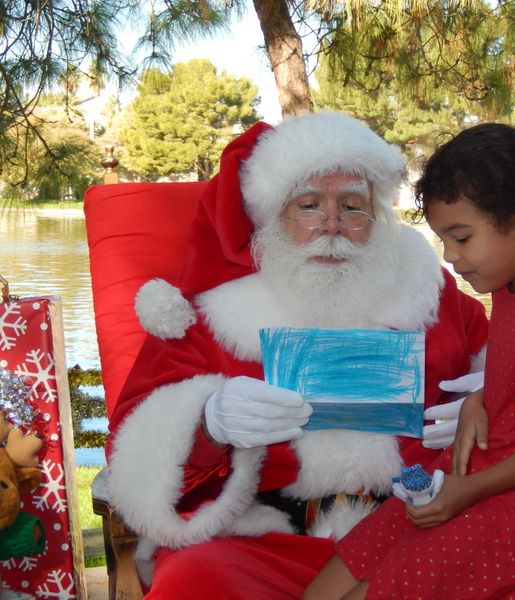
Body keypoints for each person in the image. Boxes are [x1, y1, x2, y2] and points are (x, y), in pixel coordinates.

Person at [106, 111, 489, 598]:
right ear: (272, 215)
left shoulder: (432, 293)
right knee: (194, 582)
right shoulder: (210, 315)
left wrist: (491, 403)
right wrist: (206, 424)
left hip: (414, 531)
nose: (332, 224)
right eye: (308, 205)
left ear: (378, 215)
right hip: (263, 542)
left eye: (353, 206)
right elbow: (134, 452)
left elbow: (513, 373)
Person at [306, 122, 515, 600]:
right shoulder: (512, 283)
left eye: (462, 238)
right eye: (443, 241)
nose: (451, 257)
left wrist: (469, 492)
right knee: (325, 589)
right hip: (470, 478)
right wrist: (481, 396)